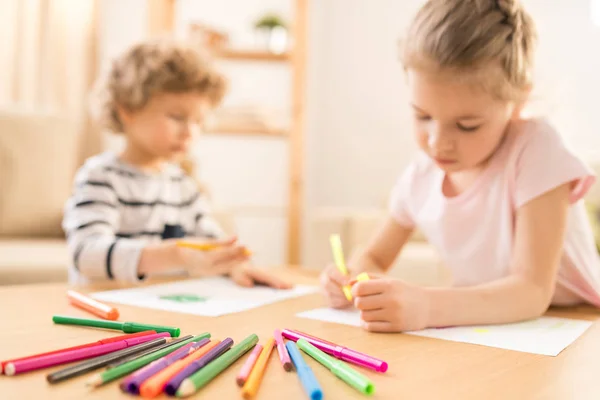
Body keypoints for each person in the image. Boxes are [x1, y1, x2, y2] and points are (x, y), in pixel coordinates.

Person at [321, 0, 600, 332]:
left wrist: (426, 306)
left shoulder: (537, 148)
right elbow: (375, 259)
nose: (438, 143)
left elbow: (532, 290)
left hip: (575, 325)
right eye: (422, 116)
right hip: (494, 326)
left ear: (517, 102)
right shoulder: (421, 175)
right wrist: (350, 281)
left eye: (467, 125)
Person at [63, 39, 290, 289]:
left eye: (198, 121)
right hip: (104, 313)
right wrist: (174, 255)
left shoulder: (181, 184)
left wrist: (235, 264)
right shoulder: (99, 177)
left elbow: (210, 239)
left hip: (162, 313)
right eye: (177, 117)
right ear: (127, 110)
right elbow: (86, 254)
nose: (189, 132)